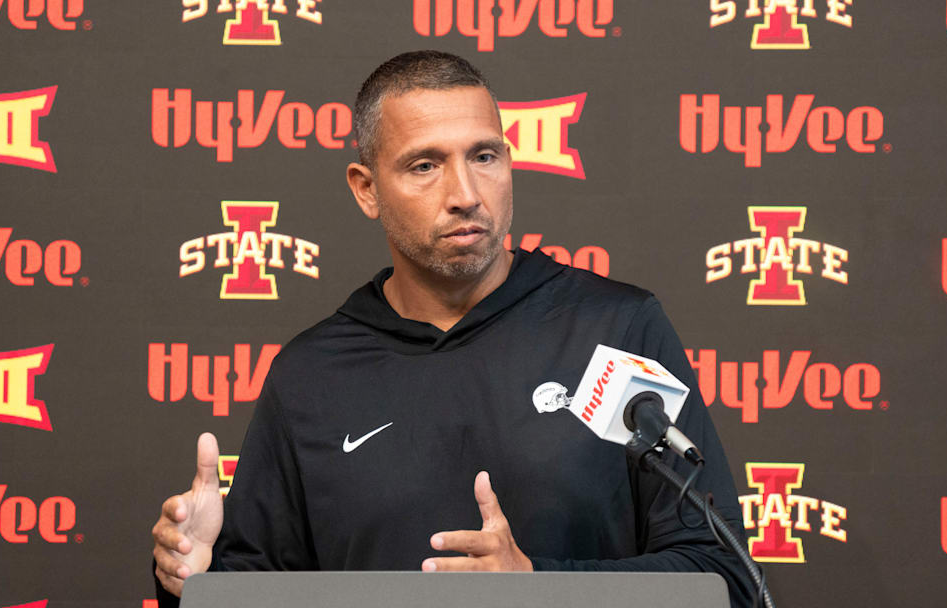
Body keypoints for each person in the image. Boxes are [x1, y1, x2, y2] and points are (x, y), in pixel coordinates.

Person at [151, 50, 754, 607]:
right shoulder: (310, 375)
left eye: (484, 156)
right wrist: (195, 581)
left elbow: (722, 578)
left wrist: (536, 587)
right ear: (366, 190)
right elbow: (251, 592)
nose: (465, 193)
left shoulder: (617, 328)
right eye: (424, 165)